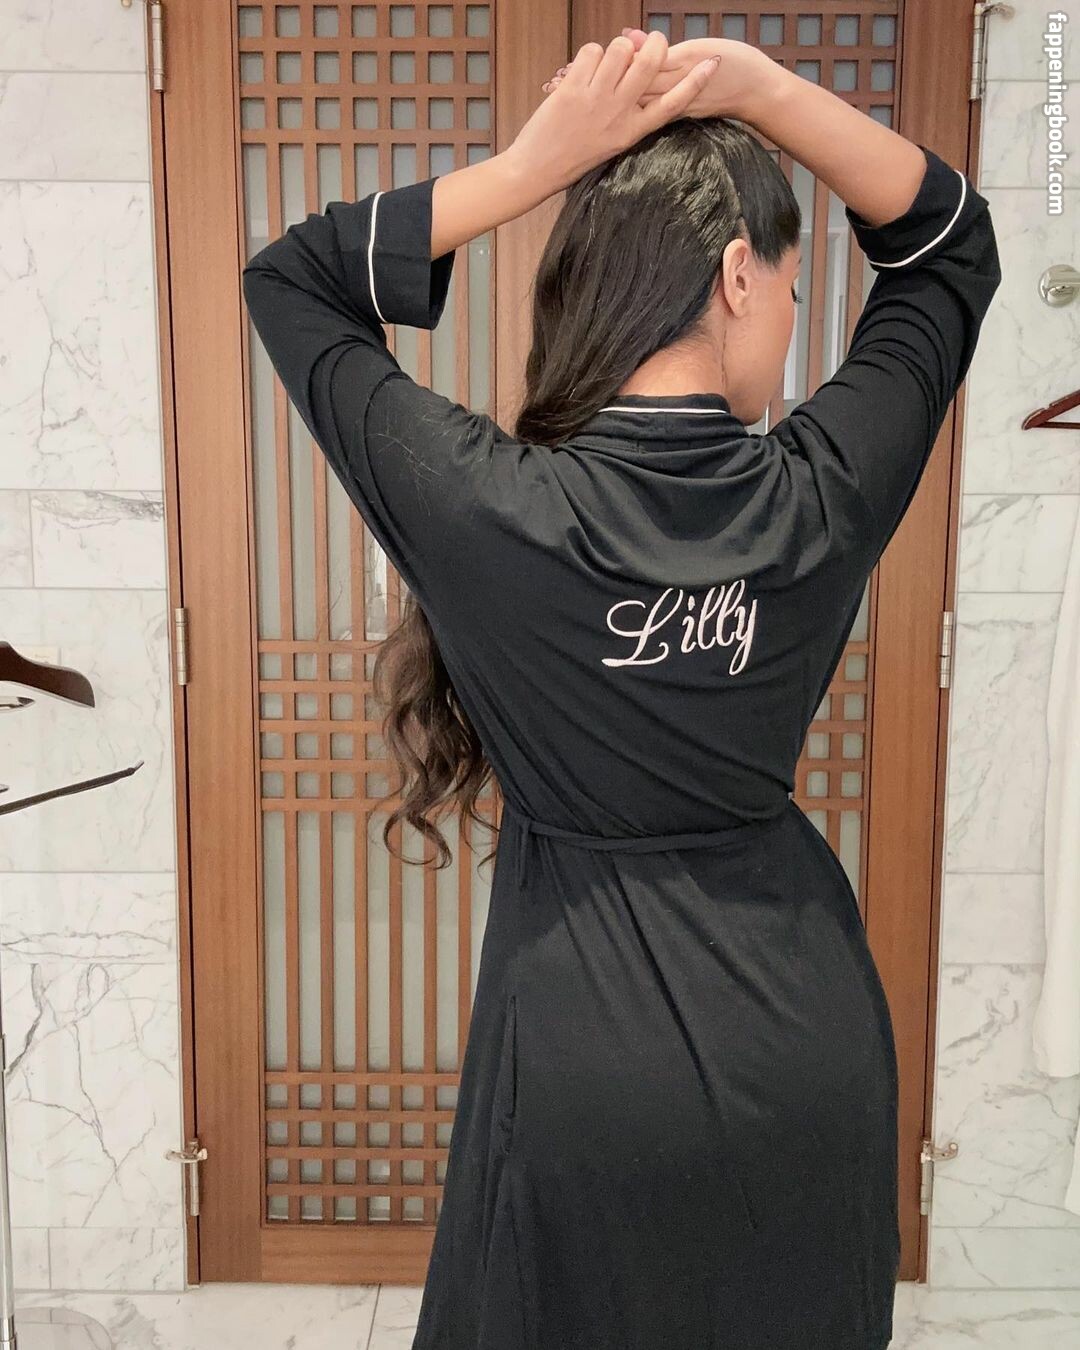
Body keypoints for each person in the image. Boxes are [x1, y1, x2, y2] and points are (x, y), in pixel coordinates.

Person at [241, 27, 1001, 1350]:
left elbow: (292, 280)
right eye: (790, 284)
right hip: (798, 1045)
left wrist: (531, 167)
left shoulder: (488, 506)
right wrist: (763, 89)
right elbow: (946, 247)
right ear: (738, 276)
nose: (793, 320)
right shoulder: (818, 495)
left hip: (577, 1063)